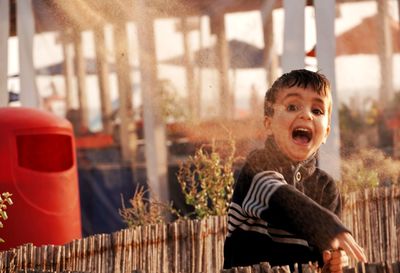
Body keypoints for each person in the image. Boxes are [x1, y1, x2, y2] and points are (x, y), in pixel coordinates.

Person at [223, 69, 366, 272]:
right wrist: (329, 226)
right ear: (269, 123)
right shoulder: (257, 167)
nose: (306, 115)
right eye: (292, 106)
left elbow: (324, 253)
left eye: (317, 111)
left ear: (325, 133)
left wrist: (331, 263)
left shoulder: (325, 187)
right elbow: (278, 197)